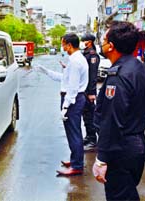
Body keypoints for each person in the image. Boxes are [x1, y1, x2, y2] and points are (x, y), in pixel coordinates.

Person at [93, 21, 145, 200]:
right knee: (127, 194)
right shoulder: (138, 67)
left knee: (120, 196)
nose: (101, 43)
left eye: (103, 40)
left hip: (121, 149)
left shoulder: (118, 76)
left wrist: (102, 158)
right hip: (136, 144)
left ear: (111, 46)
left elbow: (112, 120)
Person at [38, 33, 89, 176]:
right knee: (73, 132)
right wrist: (47, 72)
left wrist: (66, 106)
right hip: (74, 98)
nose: (62, 47)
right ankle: (75, 160)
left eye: (63, 44)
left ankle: (77, 165)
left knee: (74, 133)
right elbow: (65, 79)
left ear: (69, 45)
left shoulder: (75, 61)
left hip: (73, 100)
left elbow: (72, 87)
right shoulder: (76, 59)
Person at [80, 34, 100, 151]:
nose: (83, 42)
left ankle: (93, 139)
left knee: (90, 115)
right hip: (84, 89)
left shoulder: (92, 55)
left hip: (88, 91)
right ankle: (88, 136)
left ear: (90, 42)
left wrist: (92, 93)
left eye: (84, 40)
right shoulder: (86, 53)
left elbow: (93, 76)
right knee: (86, 115)